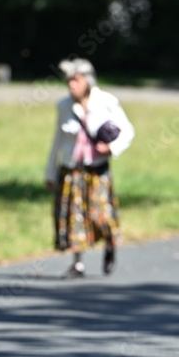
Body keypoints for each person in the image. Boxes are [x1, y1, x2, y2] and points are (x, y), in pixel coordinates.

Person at [45, 58, 135, 278]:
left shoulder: (106, 102)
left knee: (102, 216)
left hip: (97, 169)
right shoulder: (64, 106)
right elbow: (57, 139)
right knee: (74, 217)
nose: (71, 85)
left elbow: (127, 131)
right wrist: (51, 172)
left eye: (76, 80)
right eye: (69, 81)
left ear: (87, 80)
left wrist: (111, 147)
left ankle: (110, 245)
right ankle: (78, 264)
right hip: (72, 169)